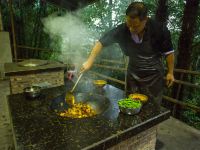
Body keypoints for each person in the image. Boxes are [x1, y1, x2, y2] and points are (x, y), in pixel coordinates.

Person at [80, 2, 175, 107]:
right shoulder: (122, 30)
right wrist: (89, 61)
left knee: (152, 107)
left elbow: (169, 52)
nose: (131, 29)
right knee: (130, 103)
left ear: (145, 20)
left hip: (154, 76)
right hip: (133, 73)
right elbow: (100, 43)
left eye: (135, 26)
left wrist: (170, 72)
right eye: (129, 24)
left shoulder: (159, 30)